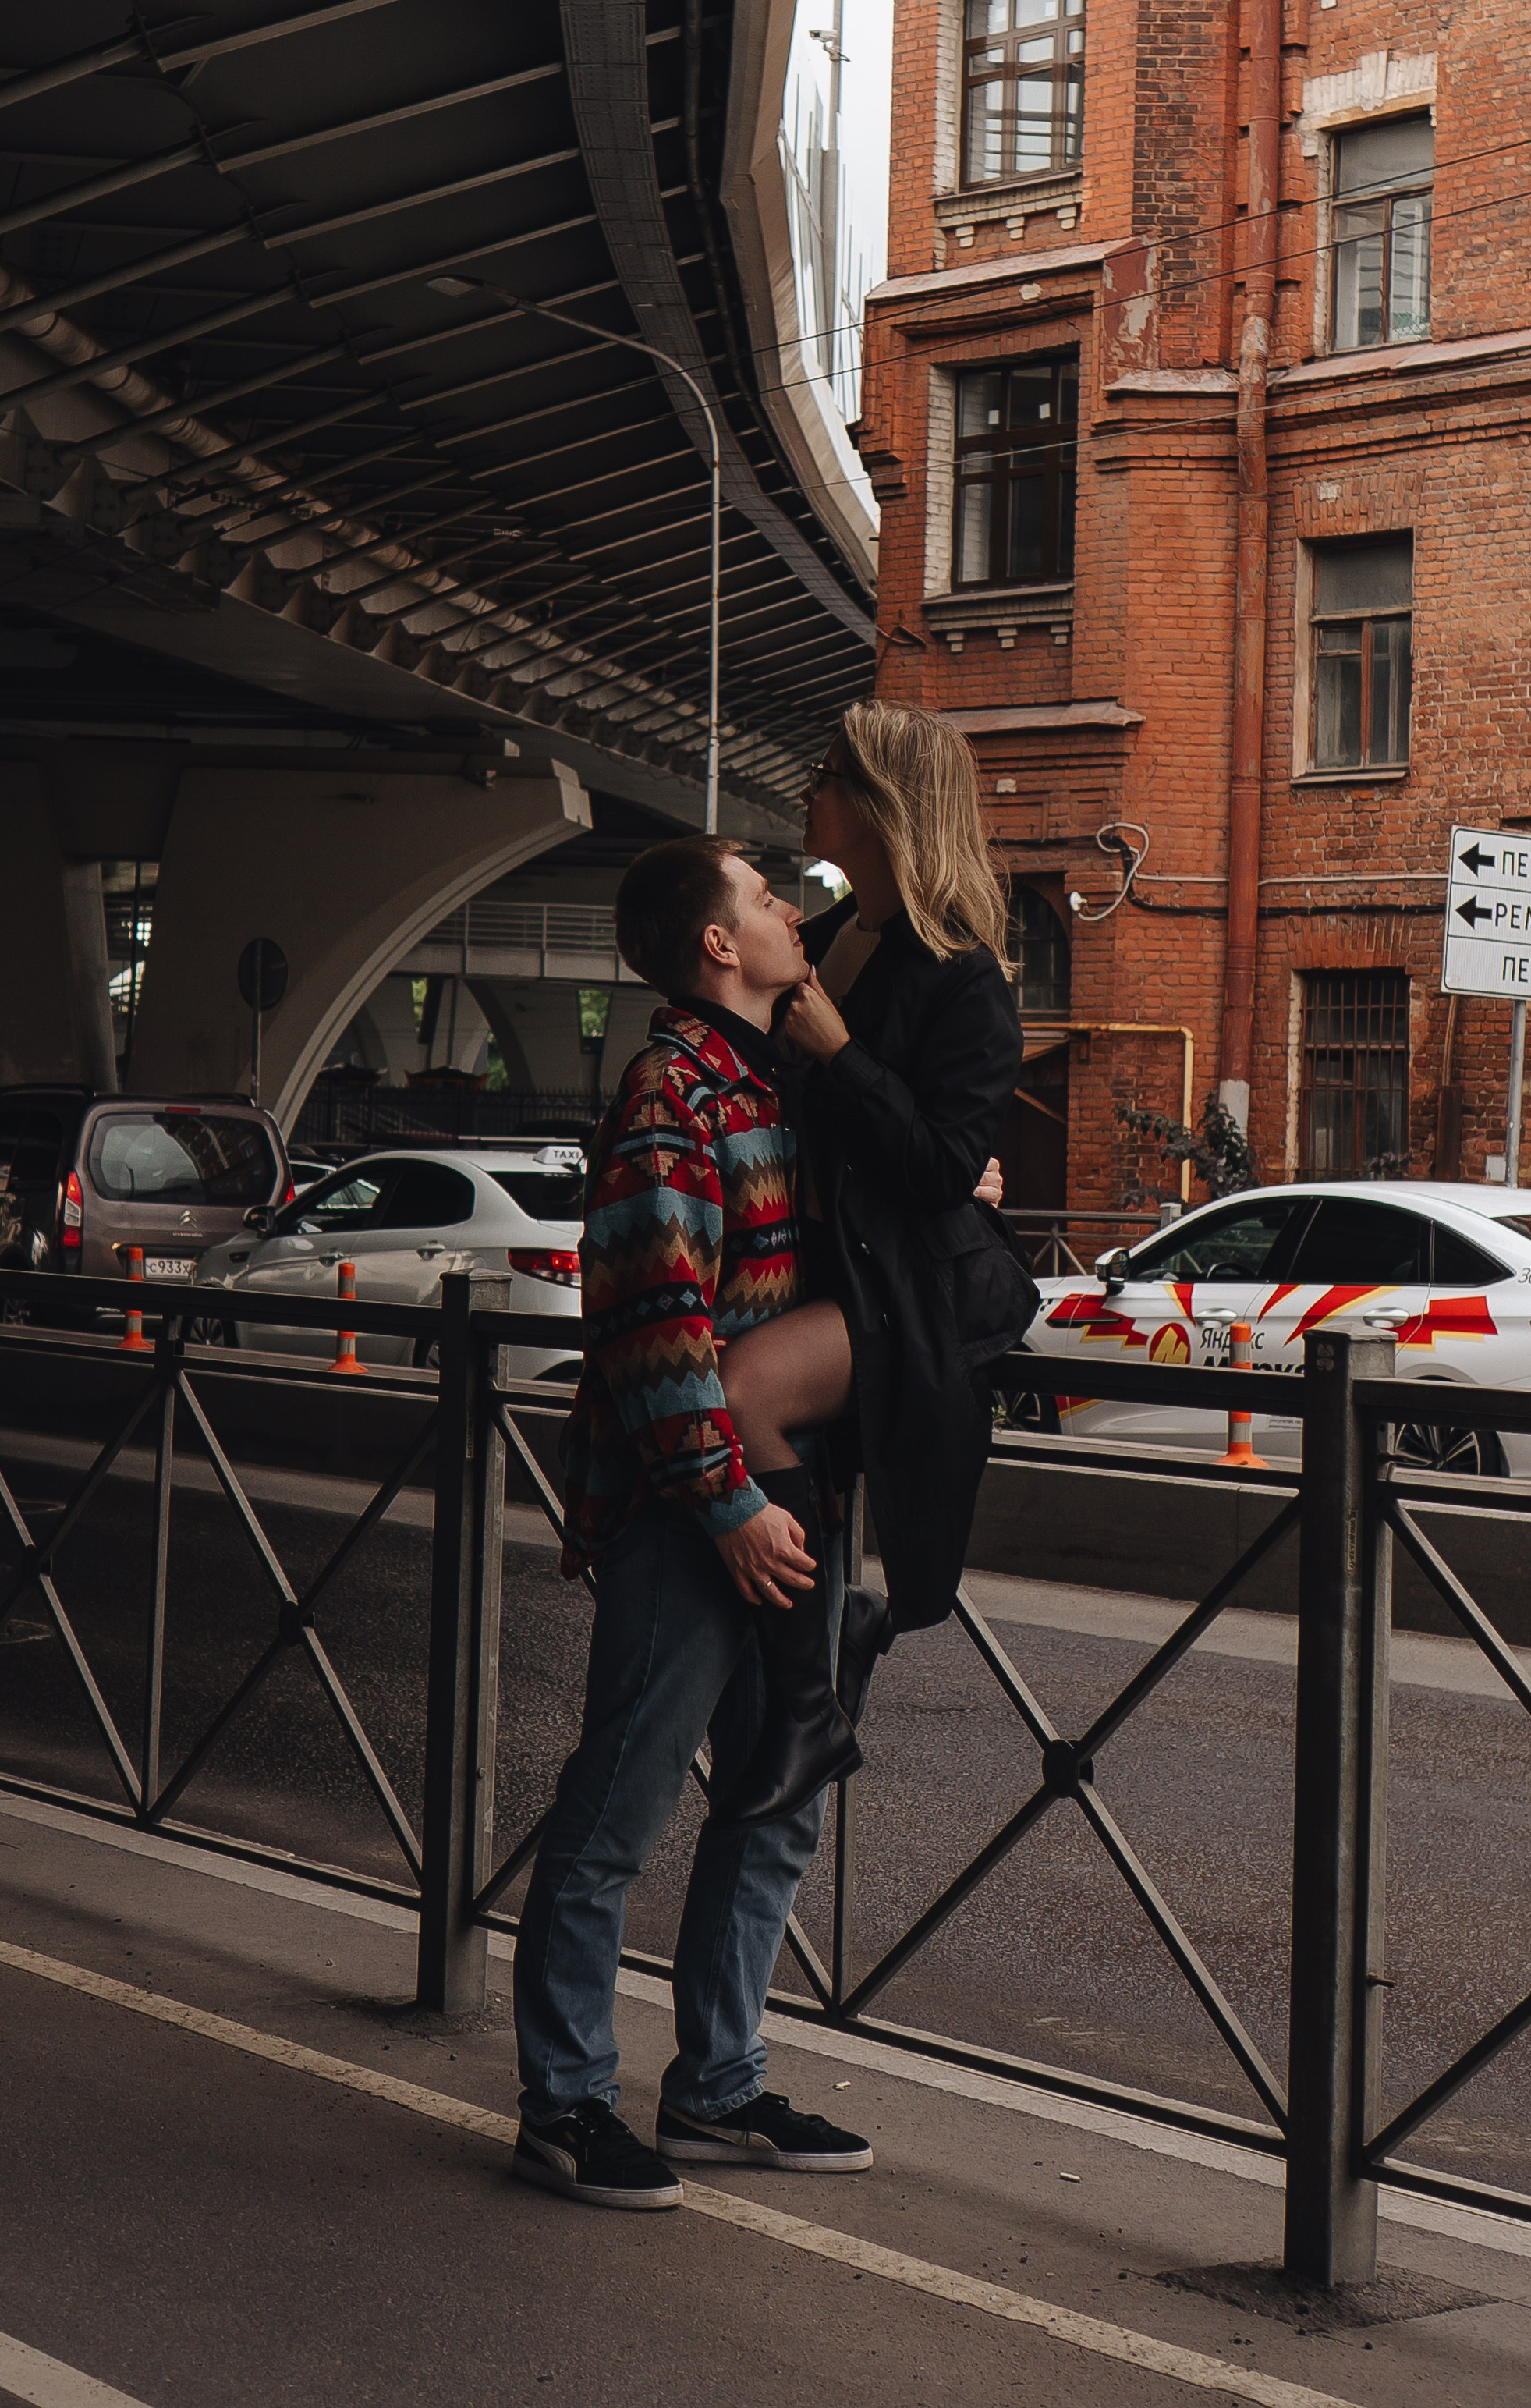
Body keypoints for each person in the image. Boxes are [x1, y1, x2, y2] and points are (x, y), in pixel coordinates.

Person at [509, 835, 873, 2211]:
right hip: (694, 1508)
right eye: (769, 900)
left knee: (773, 1802)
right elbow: (654, 1325)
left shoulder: (763, 1078)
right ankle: (566, 2102)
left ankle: (717, 2088)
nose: (791, 912)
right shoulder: (673, 1091)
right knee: (619, 1807)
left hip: (779, 1494)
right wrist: (726, 1505)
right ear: (718, 944)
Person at [712, 699, 1040, 1828]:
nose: (808, 792)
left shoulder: (965, 973)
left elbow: (949, 1165)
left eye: (828, 774)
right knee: (734, 1388)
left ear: (881, 804)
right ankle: (823, 1651)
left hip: (915, 1288)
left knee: (741, 1390)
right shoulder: (839, 928)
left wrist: (841, 1054)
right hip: (831, 1267)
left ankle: (810, 1698)